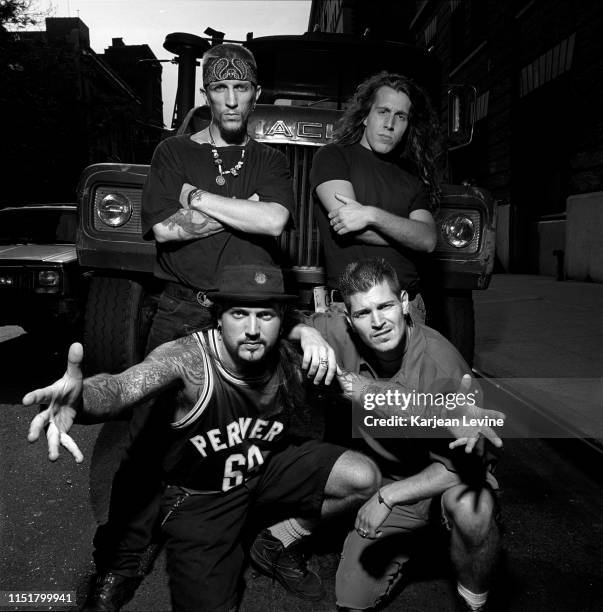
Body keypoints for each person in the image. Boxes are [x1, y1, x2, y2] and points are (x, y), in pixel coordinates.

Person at [23, 264, 381, 612]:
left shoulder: (293, 356)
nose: (252, 329)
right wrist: (81, 399)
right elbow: (123, 385)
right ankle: (126, 561)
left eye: (266, 316)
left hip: (263, 468)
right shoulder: (188, 359)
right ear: (219, 315)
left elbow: (361, 390)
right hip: (204, 496)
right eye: (239, 314)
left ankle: (275, 540)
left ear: (283, 318)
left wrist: (433, 411)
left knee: (362, 477)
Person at [86, 42, 297, 610]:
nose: (231, 100)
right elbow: (166, 232)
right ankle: (121, 561)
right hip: (183, 308)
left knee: (254, 434)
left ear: (256, 94)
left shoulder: (271, 160)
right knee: (150, 439)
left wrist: (199, 197)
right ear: (207, 94)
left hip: (250, 318)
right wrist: (238, 205)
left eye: (242, 88)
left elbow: (274, 219)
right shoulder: (174, 150)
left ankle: (248, 541)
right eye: (220, 88)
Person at [304, 258, 502, 612]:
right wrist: (304, 333)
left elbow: (461, 466)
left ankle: (474, 599)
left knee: (474, 509)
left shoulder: (442, 364)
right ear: (349, 320)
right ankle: (419, 537)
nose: (378, 321)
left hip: (443, 477)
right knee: (351, 601)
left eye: (385, 306)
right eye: (364, 313)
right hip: (390, 470)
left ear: (405, 303)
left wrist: (386, 497)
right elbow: (289, 326)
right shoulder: (337, 330)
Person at [310, 71, 441, 321]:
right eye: (383, 111)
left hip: (407, 307)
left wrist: (371, 214)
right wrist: (408, 233)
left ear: (407, 125)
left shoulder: (413, 176)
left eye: (400, 116)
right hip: (351, 310)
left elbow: (428, 240)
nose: (390, 123)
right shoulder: (334, 157)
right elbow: (348, 225)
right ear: (365, 116)